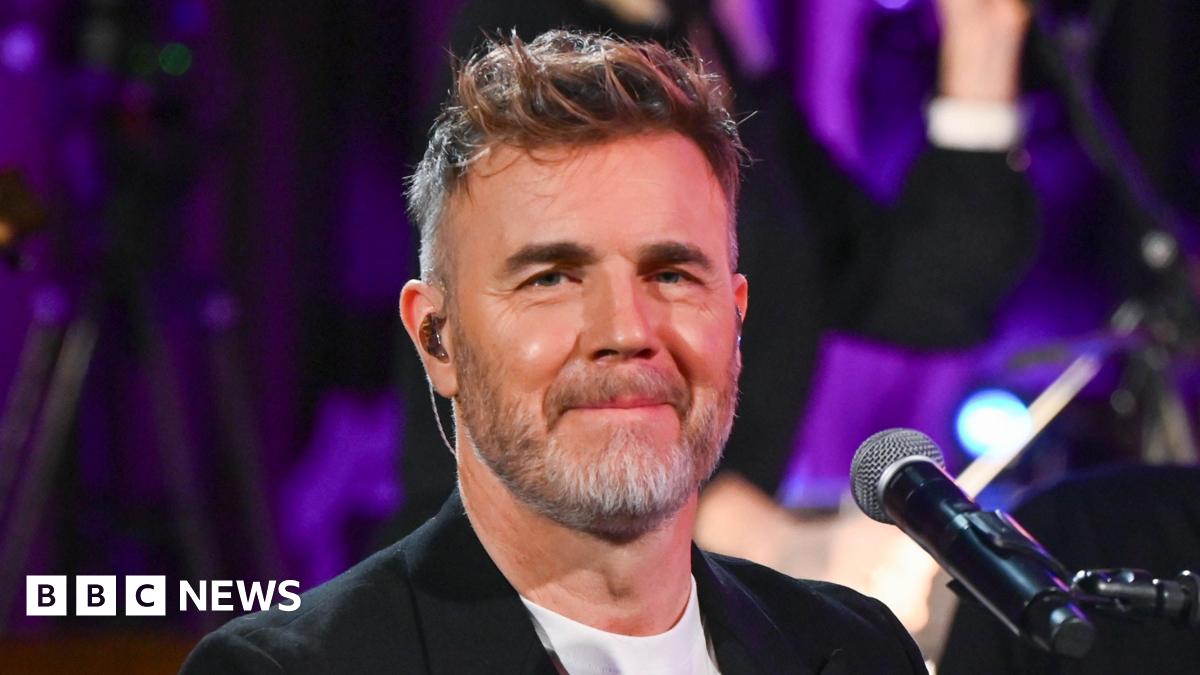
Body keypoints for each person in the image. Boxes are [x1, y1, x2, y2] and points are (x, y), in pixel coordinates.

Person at [181, 30, 926, 674]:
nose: (626, 329)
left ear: (734, 320)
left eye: (670, 273)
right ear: (436, 338)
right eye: (552, 278)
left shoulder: (857, 650)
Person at [389, 0, 1038, 551]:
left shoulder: (710, 49)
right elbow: (538, 371)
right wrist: (745, 533)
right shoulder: (529, 53)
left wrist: (983, 37)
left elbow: (921, 290)